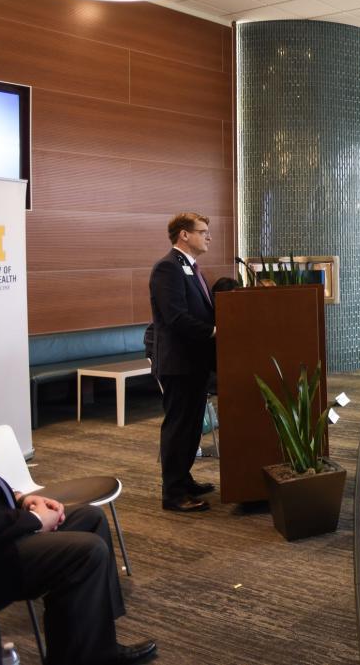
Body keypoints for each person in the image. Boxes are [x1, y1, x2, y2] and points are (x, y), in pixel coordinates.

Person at [0, 439, 158, 665]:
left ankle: (100, 647)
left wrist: (20, 499)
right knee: (86, 552)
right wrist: (33, 520)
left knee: (90, 518)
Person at [149, 212, 218, 513]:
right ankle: (173, 492)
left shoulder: (191, 268)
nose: (209, 237)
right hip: (178, 362)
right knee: (178, 426)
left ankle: (183, 478)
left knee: (192, 426)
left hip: (195, 362)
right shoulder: (167, 268)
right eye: (203, 231)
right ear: (184, 235)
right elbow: (175, 317)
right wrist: (214, 331)